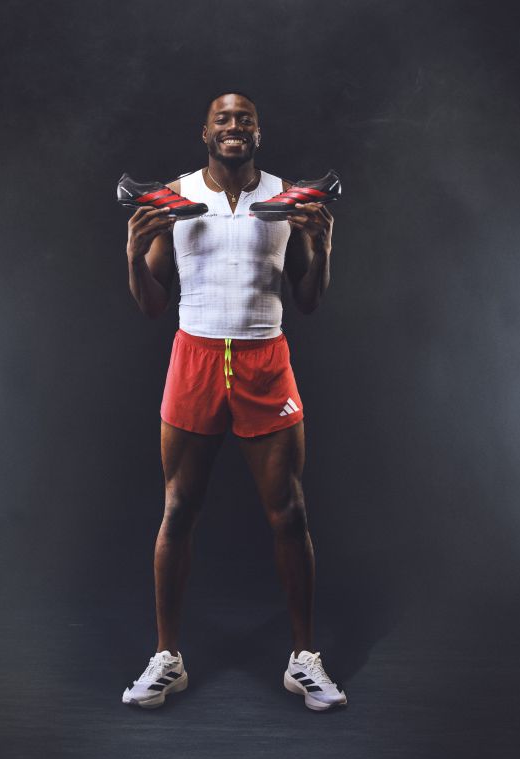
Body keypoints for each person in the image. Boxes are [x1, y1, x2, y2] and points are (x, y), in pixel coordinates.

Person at [121, 91, 347, 712]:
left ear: (257, 132)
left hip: (263, 360)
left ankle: (305, 661)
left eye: (244, 118)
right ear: (205, 131)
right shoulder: (179, 198)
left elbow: (307, 301)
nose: (233, 126)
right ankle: (167, 658)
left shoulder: (283, 200)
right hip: (194, 358)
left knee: (289, 513)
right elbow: (149, 302)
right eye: (223, 118)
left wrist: (322, 249)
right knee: (178, 510)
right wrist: (133, 253)